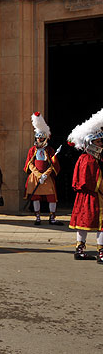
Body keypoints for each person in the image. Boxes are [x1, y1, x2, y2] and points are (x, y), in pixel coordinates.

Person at [67, 110, 103, 261]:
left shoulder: (86, 158)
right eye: (98, 142)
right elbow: (93, 180)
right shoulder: (89, 160)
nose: (101, 144)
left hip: (86, 196)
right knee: (100, 224)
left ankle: (79, 249)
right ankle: (101, 253)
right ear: (90, 143)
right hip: (94, 196)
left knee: (83, 223)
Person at [24, 112, 62, 225]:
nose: (39, 140)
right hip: (35, 177)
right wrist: (38, 174)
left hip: (47, 176)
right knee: (35, 198)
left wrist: (45, 174)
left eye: (41, 138)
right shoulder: (32, 150)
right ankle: (38, 217)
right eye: (38, 138)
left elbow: (53, 164)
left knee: (52, 196)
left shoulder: (49, 150)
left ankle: (52, 218)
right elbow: (29, 164)